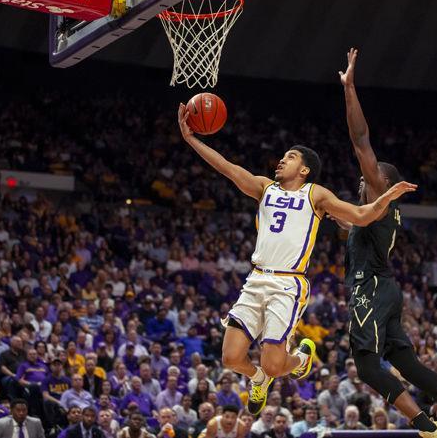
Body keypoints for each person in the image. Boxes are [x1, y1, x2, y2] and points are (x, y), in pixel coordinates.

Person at [177, 103, 417, 415]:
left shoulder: (315, 195)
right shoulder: (264, 187)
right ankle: (258, 378)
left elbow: (360, 215)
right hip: (257, 278)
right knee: (231, 358)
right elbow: (226, 167)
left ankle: (300, 359)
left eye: (290, 157)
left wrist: (387, 197)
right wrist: (191, 139)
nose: (282, 159)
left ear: (304, 170)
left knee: (277, 364)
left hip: (288, 284)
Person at [337, 47, 437, 438]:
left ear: (382, 184)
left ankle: (426, 427)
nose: (361, 181)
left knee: (367, 366)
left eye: (369, 179)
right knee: (407, 363)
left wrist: (350, 87)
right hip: (386, 288)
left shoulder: (378, 197)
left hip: (370, 289)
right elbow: (346, 224)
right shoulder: (373, 216)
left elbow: (360, 140)